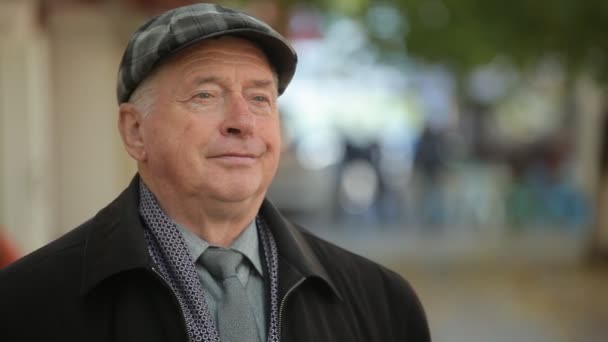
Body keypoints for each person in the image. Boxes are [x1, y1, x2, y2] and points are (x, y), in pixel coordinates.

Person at [0, 3, 430, 342]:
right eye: (205, 95)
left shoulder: (382, 303)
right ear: (135, 132)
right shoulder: (26, 305)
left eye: (260, 99)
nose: (242, 121)